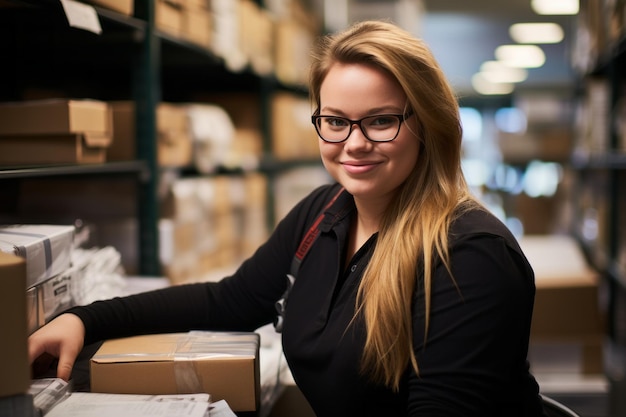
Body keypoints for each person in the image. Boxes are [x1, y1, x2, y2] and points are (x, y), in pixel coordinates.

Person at [29, 20, 545, 416]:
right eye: (336, 121)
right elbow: (226, 301)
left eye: (382, 121)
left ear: (427, 123)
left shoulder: (466, 256)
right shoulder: (322, 215)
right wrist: (84, 318)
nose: (354, 143)